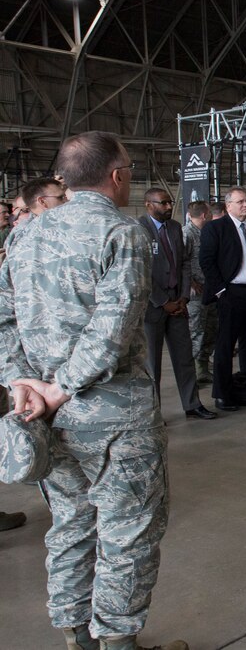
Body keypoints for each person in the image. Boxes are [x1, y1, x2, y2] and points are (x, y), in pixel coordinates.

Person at [0, 131, 186, 649]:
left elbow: (2, 319)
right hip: (112, 419)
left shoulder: (25, 235)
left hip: (42, 416)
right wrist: (57, 390)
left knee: (71, 523)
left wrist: (23, 384)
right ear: (118, 176)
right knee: (128, 532)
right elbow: (112, 332)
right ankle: (118, 643)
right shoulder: (120, 233)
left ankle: (76, 635)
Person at [138, 188, 213, 420]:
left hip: (178, 303)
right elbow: (142, 271)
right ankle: (153, 413)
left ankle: (192, 404)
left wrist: (183, 297)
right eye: (163, 203)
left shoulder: (174, 228)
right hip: (153, 307)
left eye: (170, 202)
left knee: (184, 357)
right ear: (149, 204)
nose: (169, 207)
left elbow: (184, 263)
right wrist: (163, 302)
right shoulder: (137, 229)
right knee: (153, 364)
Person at [199, 186, 246, 411]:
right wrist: (221, 291)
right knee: (225, 346)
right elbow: (207, 261)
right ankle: (222, 394)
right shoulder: (215, 228)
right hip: (232, 293)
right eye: (240, 202)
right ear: (228, 205)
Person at [182, 201, 217, 384]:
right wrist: (191, 282)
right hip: (195, 294)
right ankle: (193, 372)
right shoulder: (186, 234)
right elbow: (179, 261)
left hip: (209, 290)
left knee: (210, 329)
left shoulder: (205, 233)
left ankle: (203, 367)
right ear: (204, 215)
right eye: (209, 212)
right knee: (196, 332)